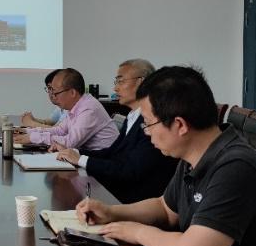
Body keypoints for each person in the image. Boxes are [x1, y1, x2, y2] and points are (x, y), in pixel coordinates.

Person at [75, 66, 256, 246]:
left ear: (180, 125)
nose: (147, 133)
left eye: (148, 124)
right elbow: (165, 209)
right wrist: (111, 212)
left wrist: (137, 233)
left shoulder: (237, 166)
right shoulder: (193, 156)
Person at [52, 59, 176, 203]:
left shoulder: (152, 121)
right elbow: (112, 153)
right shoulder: (133, 116)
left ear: (141, 82)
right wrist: (75, 153)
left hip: (136, 201)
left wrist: (80, 159)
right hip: (121, 191)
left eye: (120, 81)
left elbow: (130, 171)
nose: (115, 88)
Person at [14, 68, 118, 150]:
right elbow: (59, 131)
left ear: (72, 93)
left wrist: (33, 138)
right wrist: (27, 132)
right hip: (90, 157)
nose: (54, 97)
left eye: (56, 93)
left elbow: (70, 142)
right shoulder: (75, 106)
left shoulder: (89, 109)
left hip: (104, 162)